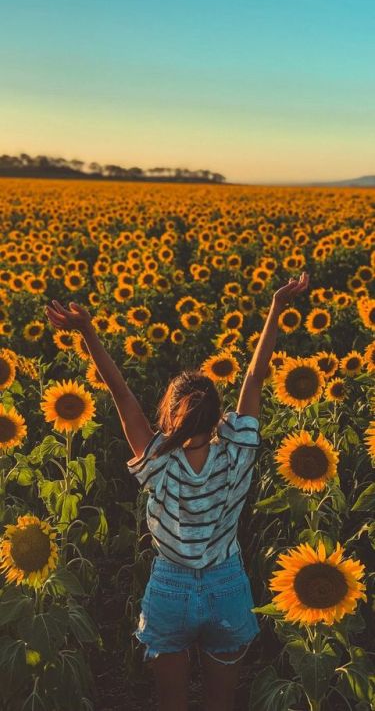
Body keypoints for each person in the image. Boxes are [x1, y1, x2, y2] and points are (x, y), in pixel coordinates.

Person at [45, 270, 309, 711]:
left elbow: (121, 394)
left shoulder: (159, 461)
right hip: (227, 586)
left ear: (169, 415)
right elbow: (256, 377)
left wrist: (87, 331)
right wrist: (277, 306)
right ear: (216, 418)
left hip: (170, 587)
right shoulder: (237, 453)